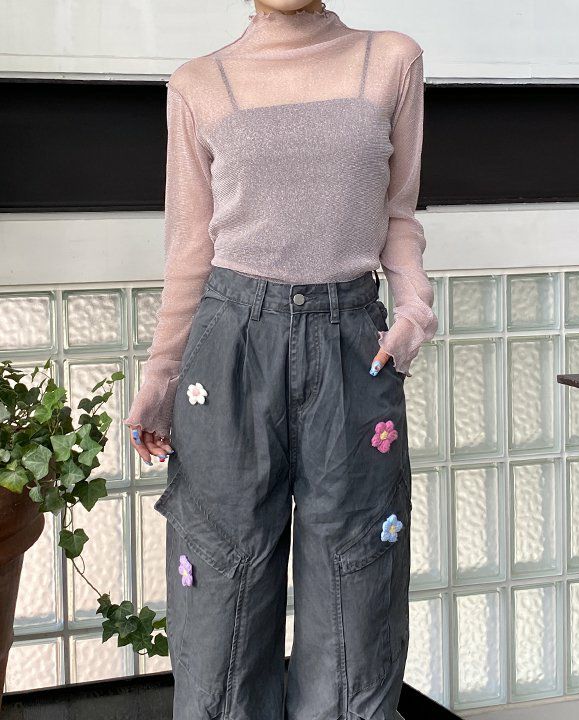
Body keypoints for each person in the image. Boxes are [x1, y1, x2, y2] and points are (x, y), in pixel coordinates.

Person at [123, 1, 438, 718]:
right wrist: (160, 380)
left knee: (356, 578)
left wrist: (413, 307)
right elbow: (190, 248)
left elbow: (398, 214)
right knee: (222, 585)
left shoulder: (391, 60)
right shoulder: (199, 82)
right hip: (228, 349)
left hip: (353, 344)